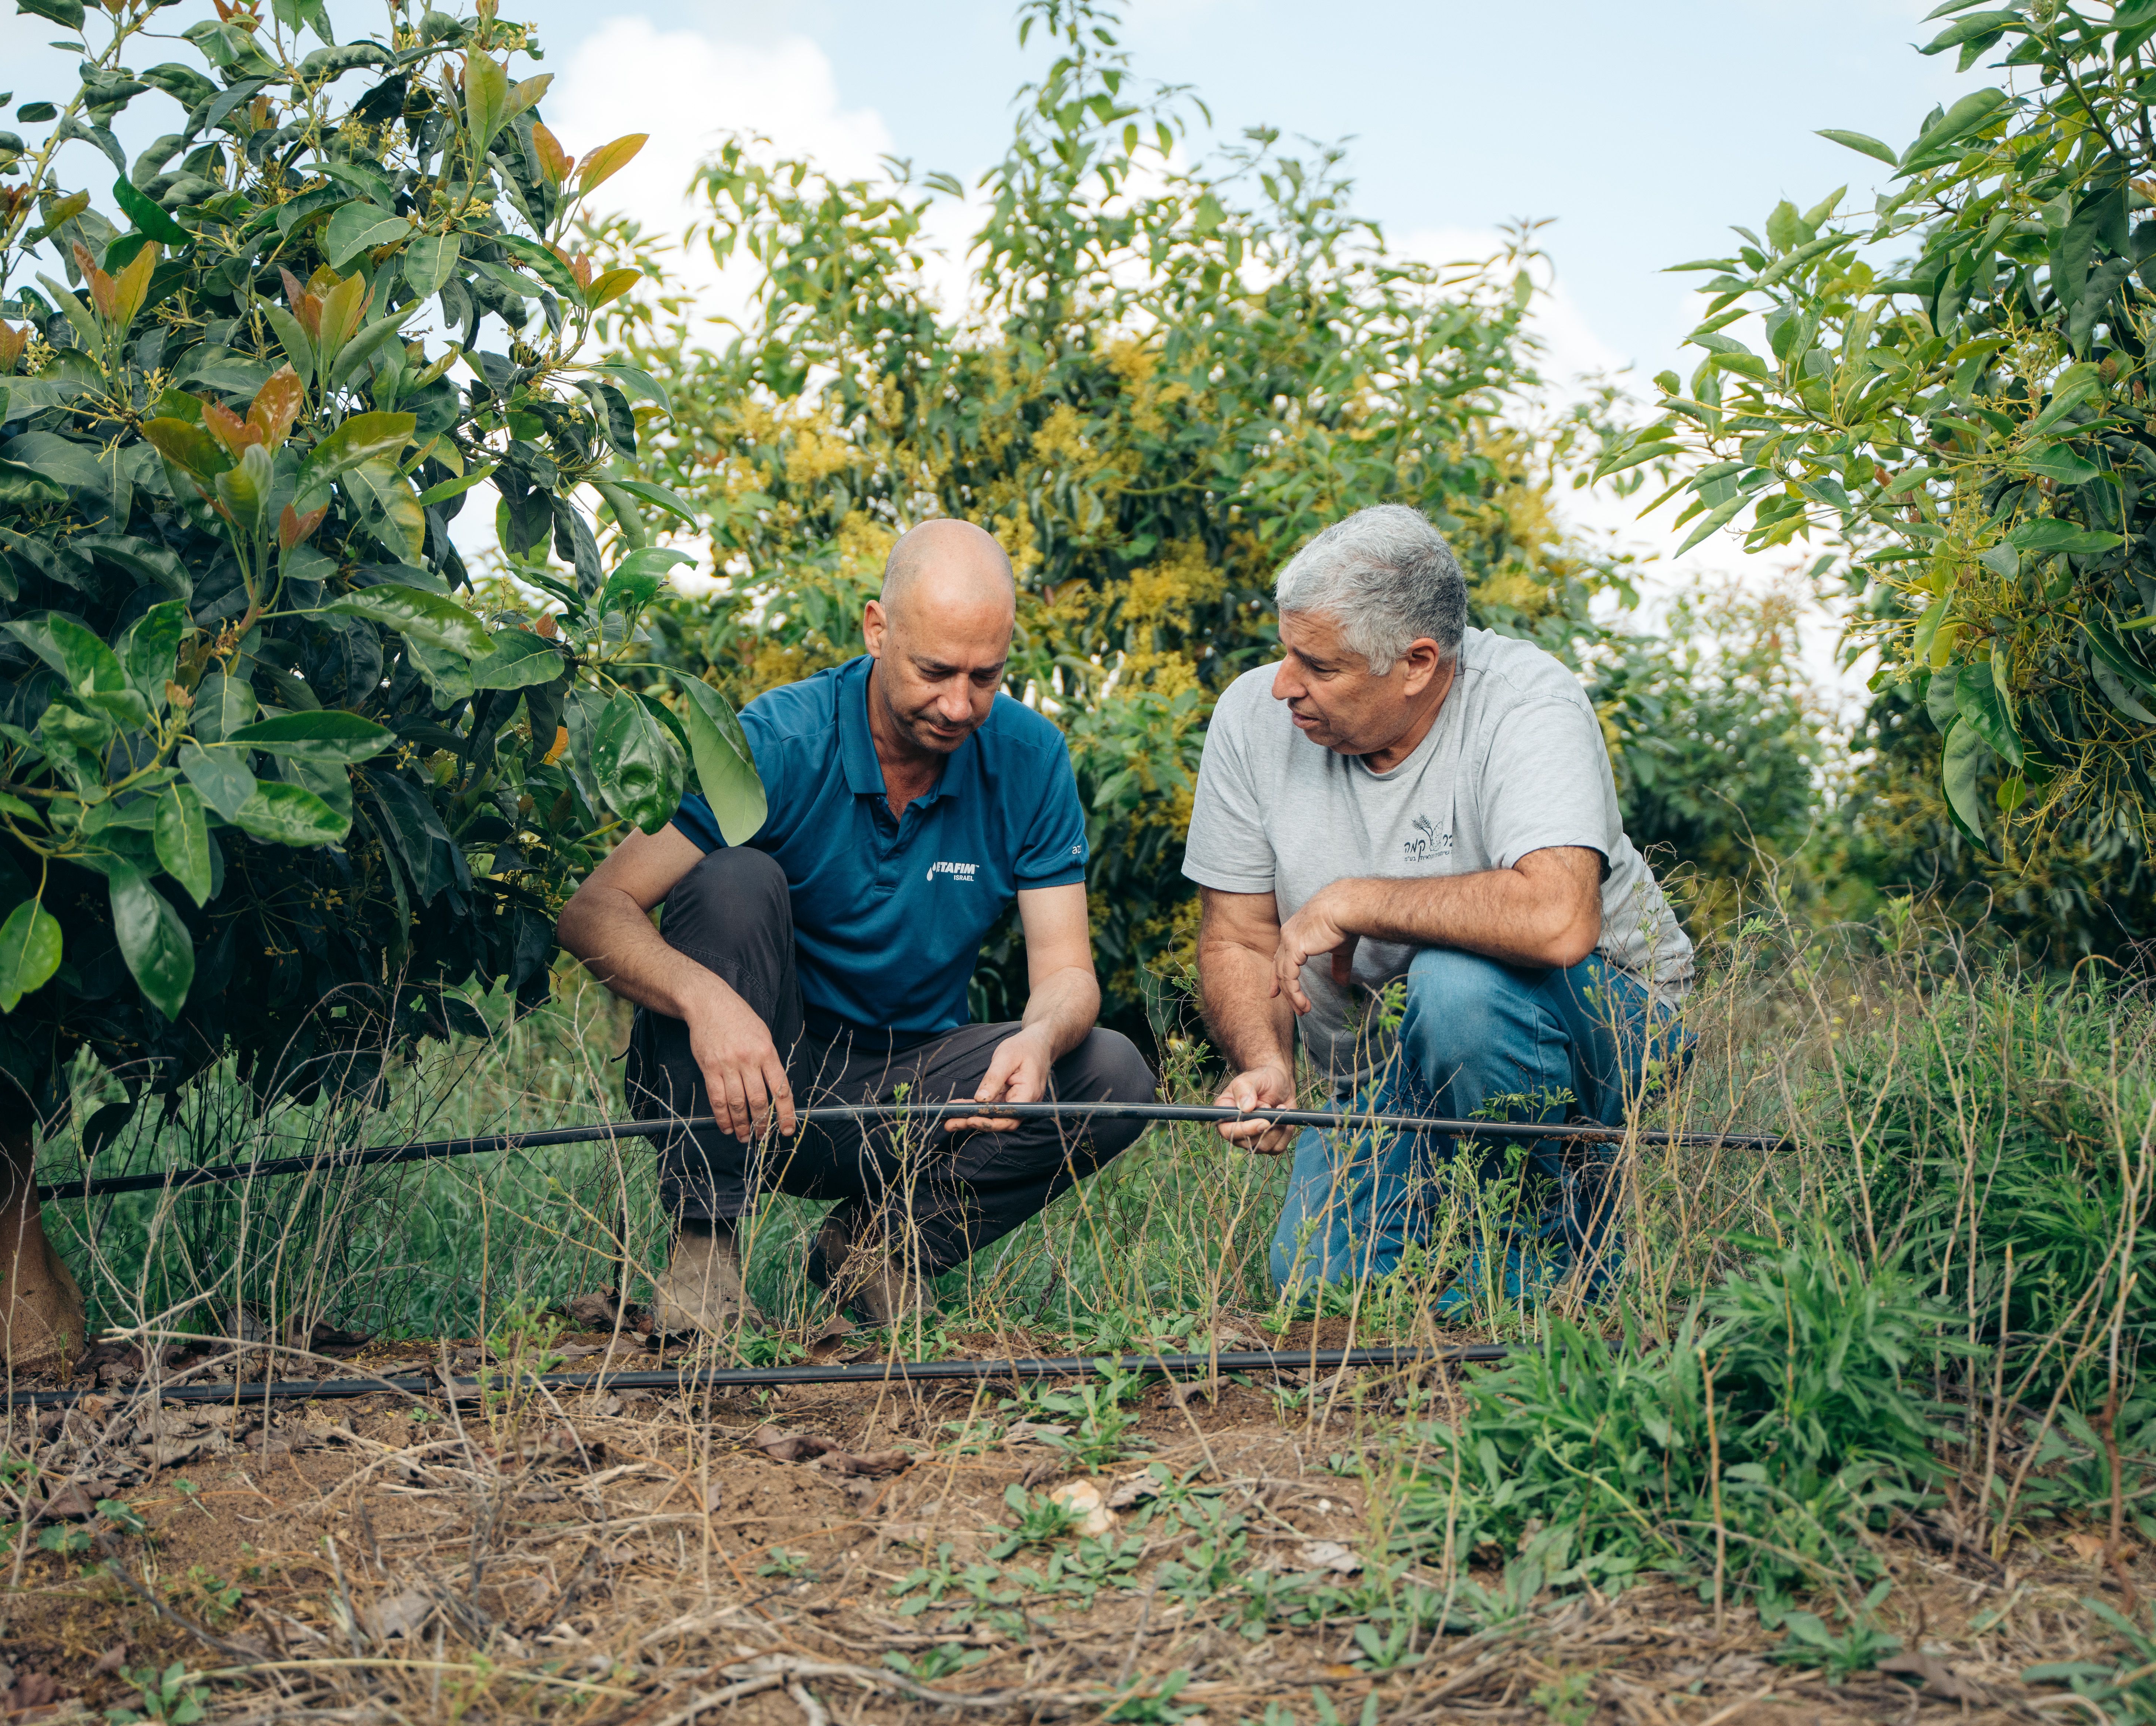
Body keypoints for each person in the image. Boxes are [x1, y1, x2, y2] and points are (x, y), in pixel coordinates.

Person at [557, 519, 1157, 1334]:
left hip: (914, 1097)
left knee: (1113, 1071)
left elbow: (1068, 973)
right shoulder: (776, 738)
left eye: (985, 676)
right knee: (733, 877)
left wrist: (1042, 1037)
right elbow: (595, 910)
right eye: (935, 671)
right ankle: (704, 1248)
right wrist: (707, 1001)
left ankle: (876, 1247)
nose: (959, 705)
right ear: (878, 630)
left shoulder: (1032, 757)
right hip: (753, 1075)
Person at [1185, 504, 1693, 1304]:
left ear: (1417, 663)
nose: (1284, 685)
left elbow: (1559, 919)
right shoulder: (1252, 720)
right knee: (1323, 1290)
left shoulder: (1528, 704)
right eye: (1286, 652)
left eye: (1319, 666)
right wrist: (1267, 1060)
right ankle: (1462, 1248)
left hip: (1607, 1028)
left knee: (1457, 983)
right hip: (1382, 1072)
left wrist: (1359, 901)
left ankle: (1554, 1237)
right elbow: (1240, 938)